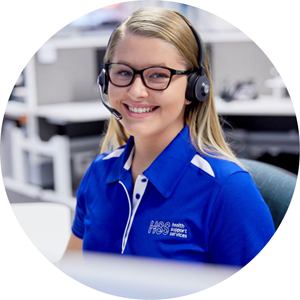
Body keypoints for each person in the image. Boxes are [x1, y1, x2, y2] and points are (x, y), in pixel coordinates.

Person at [65, 7, 275, 267]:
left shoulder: (228, 191)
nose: (136, 91)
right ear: (105, 81)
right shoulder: (98, 173)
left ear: (194, 89)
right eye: (123, 72)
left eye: (158, 75)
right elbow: (71, 272)